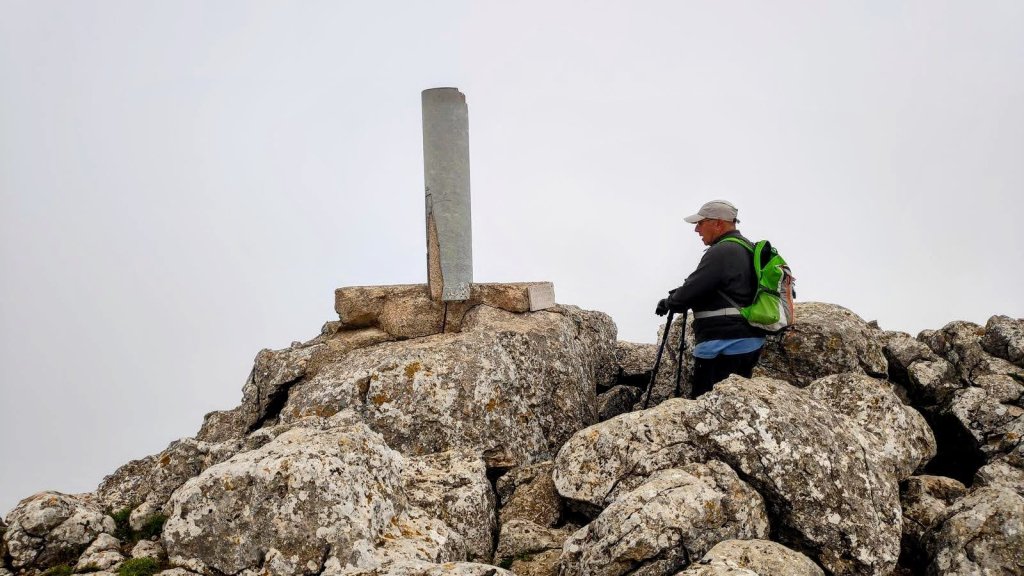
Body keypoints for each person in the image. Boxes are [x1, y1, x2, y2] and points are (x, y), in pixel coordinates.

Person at [655, 199, 764, 398]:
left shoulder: (723, 251)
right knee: (732, 403)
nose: (697, 229)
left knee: (706, 403)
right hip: (747, 341)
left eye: (700, 223)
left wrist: (670, 302)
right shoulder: (747, 248)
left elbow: (692, 290)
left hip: (723, 345)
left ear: (718, 223)